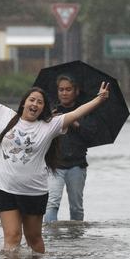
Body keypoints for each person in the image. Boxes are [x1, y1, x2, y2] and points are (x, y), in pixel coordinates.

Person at [0, 46, 109, 253]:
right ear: (24, 103)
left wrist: (99, 99)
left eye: (40, 102)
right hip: (3, 187)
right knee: (12, 237)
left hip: (34, 190)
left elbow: (76, 112)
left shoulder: (50, 125)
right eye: (32, 100)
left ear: (43, 108)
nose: (35, 104)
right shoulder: (4, 115)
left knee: (34, 240)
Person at [44, 75, 97, 223]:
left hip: (77, 165)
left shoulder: (85, 111)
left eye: (68, 89)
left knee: (76, 207)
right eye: (61, 89)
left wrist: (74, 121)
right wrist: (49, 121)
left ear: (76, 91)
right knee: (52, 203)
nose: (64, 93)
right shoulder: (50, 111)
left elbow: (91, 136)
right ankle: (50, 237)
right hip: (54, 165)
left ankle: (76, 238)